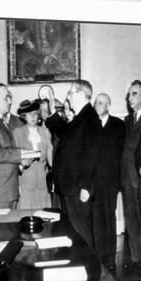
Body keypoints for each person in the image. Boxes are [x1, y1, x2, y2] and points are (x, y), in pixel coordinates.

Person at [45, 80, 100, 249]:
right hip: (70, 185)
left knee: (81, 229)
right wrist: (52, 110)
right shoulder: (81, 116)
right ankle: (81, 263)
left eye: (70, 93)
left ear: (81, 94)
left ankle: (89, 269)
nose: (68, 96)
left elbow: (92, 154)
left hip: (77, 186)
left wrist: (85, 186)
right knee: (75, 229)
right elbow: (64, 133)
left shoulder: (89, 117)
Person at [0, 83, 38, 209]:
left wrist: (21, 164)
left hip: (8, 191)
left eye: (10, 98)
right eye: (6, 98)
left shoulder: (2, 122)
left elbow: (8, 154)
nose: (10, 101)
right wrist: (22, 153)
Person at [92, 93, 125, 270]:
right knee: (96, 219)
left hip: (111, 181)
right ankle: (98, 255)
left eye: (101, 103)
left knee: (109, 218)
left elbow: (121, 154)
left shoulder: (119, 125)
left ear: (109, 105)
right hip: (95, 183)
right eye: (96, 102)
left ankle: (111, 257)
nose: (97, 105)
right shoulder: (90, 126)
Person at [121, 80, 141, 275]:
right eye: (129, 95)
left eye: (134, 94)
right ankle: (137, 258)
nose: (130, 98)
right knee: (130, 219)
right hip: (126, 179)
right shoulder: (127, 121)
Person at [13, 99, 53, 209]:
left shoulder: (45, 132)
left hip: (43, 183)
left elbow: (50, 156)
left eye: (35, 113)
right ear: (23, 116)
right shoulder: (17, 133)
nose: (32, 117)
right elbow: (14, 158)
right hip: (25, 182)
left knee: (44, 216)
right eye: (29, 114)